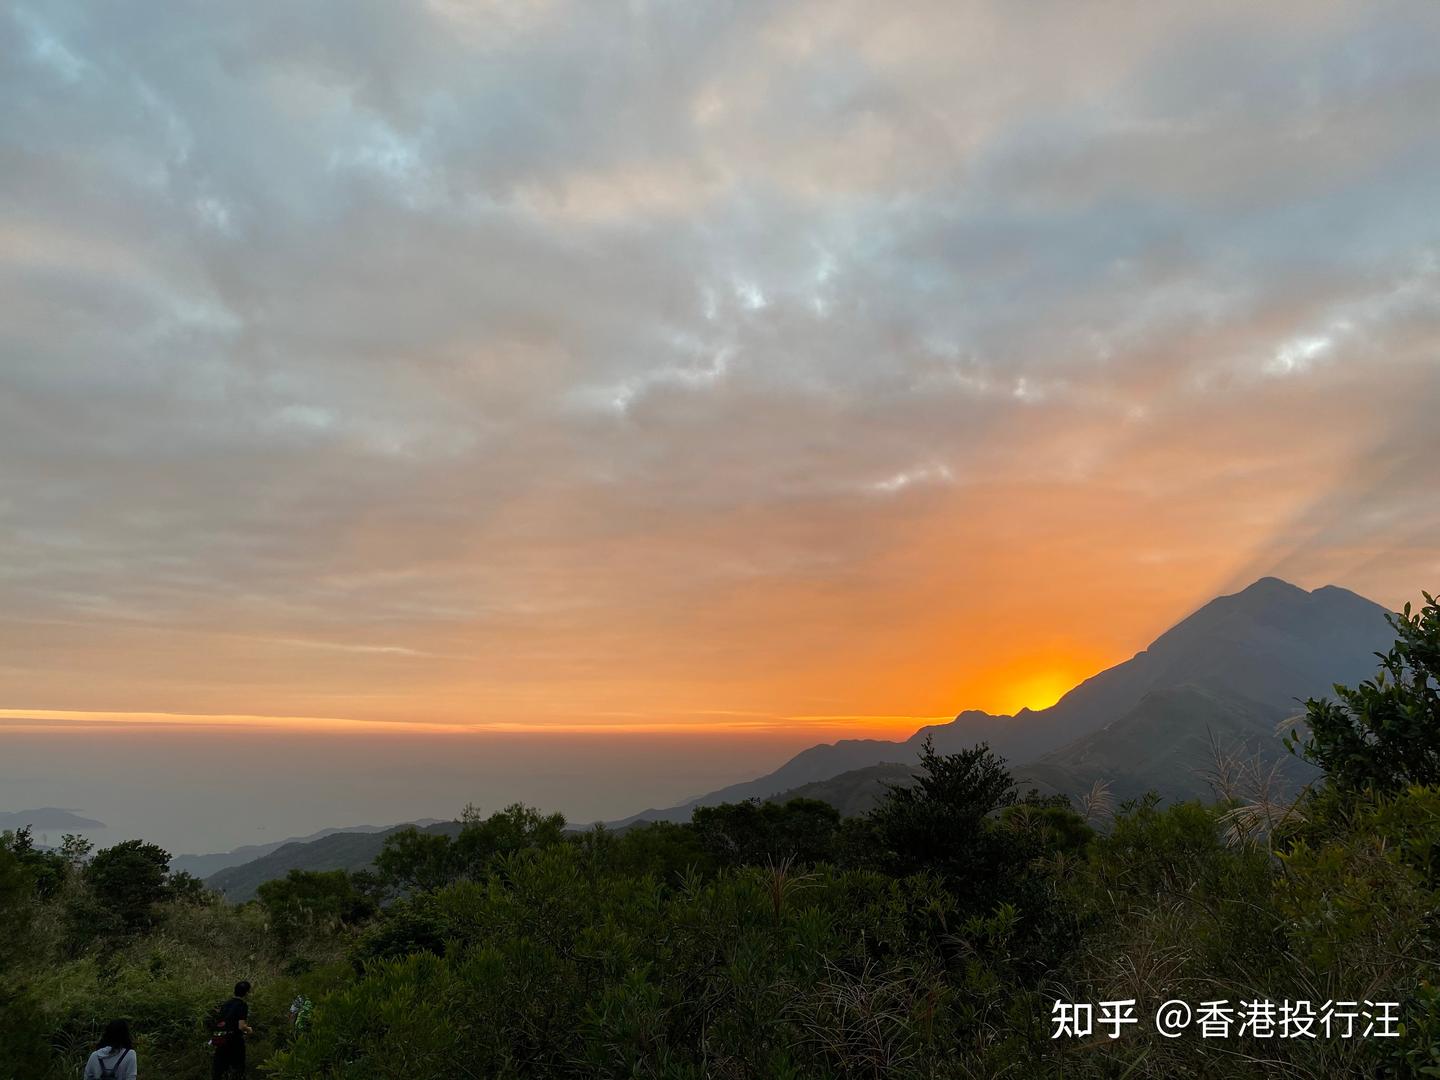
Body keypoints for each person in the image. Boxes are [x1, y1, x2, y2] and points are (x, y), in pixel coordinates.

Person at [211, 980, 254, 1079]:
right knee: (238, 1067)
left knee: (220, 1068)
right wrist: (249, 1029)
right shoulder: (242, 1005)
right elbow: (241, 1026)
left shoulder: (226, 1004)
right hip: (234, 1040)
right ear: (246, 993)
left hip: (221, 1038)